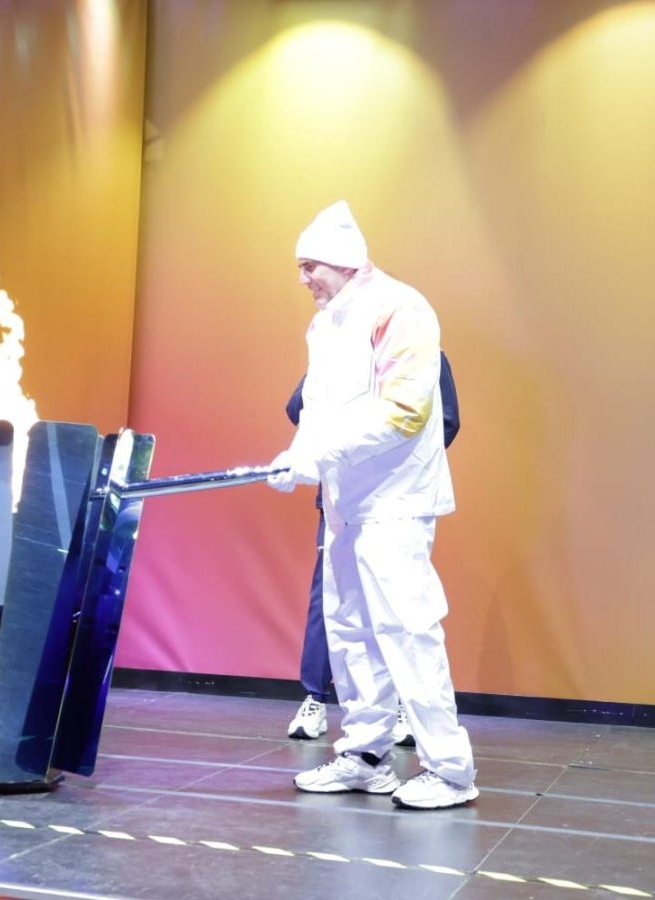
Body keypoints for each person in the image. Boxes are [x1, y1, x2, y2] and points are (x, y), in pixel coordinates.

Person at [267, 200, 477, 810]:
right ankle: (365, 756)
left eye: (309, 266)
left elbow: (404, 412)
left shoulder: (401, 309)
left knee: (408, 630)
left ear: (341, 261)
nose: (303, 279)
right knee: (349, 630)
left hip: (396, 502)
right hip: (345, 503)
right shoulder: (325, 325)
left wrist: (318, 453)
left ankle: (451, 771)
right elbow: (317, 408)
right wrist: (296, 455)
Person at [286, 353, 461, 745]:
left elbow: (446, 421)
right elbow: (298, 406)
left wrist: (395, 465)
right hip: (342, 501)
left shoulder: (423, 352)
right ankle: (314, 698)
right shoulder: (339, 352)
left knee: (398, 607)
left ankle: (404, 706)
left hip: (396, 504)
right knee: (332, 600)